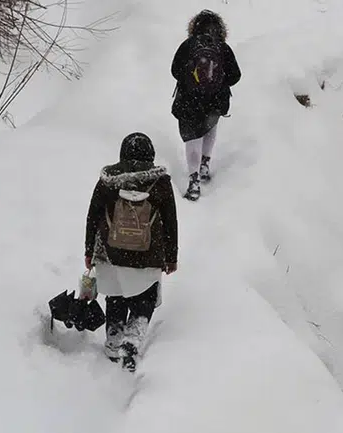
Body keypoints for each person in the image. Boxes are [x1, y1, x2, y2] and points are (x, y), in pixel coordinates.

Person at [84, 132, 178, 372]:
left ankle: (113, 340)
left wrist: (89, 251)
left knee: (115, 295)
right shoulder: (160, 183)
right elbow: (170, 222)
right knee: (144, 298)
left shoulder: (108, 180)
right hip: (148, 254)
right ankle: (133, 339)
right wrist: (171, 257)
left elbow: (93, 215)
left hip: (110, 252)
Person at [171, 9, 241, 201]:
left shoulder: (188, 45)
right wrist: (217, 83)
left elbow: (175, 70)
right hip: (215, 101)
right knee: (210, 127)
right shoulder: (223, 48)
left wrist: (191, 81)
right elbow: (235, 76)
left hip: (189, 101)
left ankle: (194, 181)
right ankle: (205, 164)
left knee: (192, 138)